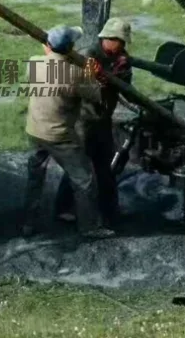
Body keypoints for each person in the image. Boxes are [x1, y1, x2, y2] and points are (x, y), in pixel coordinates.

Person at [21, 25, 114, 240]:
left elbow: (49, 61)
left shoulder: (34, 64)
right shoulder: (76, 74)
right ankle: (89, 228)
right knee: (84, 179)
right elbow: (97, 94)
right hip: (59, 136)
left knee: (35, 178)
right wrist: (93, 71)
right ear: (71, 47)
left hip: (34, 130)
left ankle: (28, 223)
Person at [55, 17, 133, 227]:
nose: (123, 47)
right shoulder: (88, 57)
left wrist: (120, 74)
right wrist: (104, 80)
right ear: (109, 39)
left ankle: (110, 211)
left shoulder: (122, 58)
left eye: (124, 43)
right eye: (121, 42)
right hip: (84, 120)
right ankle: (63, 208)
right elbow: (85, 89)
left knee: (105, 169)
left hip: (103, 121)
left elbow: (127, 87)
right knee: (79, 165)